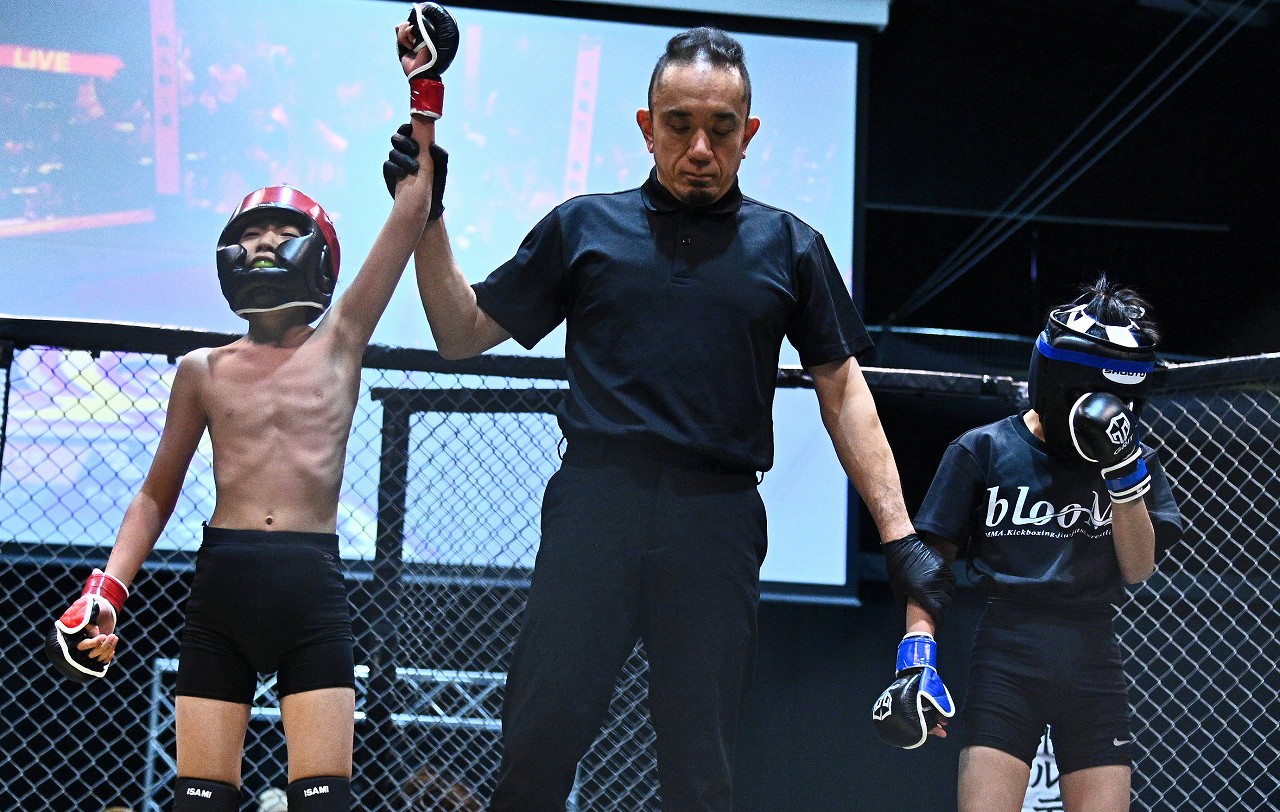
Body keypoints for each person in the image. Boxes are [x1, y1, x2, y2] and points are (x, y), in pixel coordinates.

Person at [391, 25, 927, 812]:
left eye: (720, 128)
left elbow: (843, 391)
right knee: (538, 744)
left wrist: (899, 534)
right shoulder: (583, 227)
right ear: (647, 128)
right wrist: (428, 213)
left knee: (700, 768)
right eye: (679, 125)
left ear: (749, 135)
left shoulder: (791, 246)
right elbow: (459, 332)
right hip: (595, 509)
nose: (700, 147)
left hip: (717, 521)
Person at [44, 6, 458, 810]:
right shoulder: (202, 370)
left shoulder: (340, 340)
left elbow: (413, 209)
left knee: (323, 801)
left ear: (315, 251)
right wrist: (106, 591)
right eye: (253, 233)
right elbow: (156, 492)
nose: (264, 244)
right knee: (199, 799)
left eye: (279, 232)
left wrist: (424, 91)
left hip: (311, 584)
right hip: (222, 585)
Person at [874, 276, 1182, 811]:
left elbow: (1138, 569)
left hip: (1093, 652)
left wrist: (1122, 474)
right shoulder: (984, 449)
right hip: (1008, 652)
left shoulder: (1136, 460)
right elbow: (930, 565)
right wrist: (916, 657)